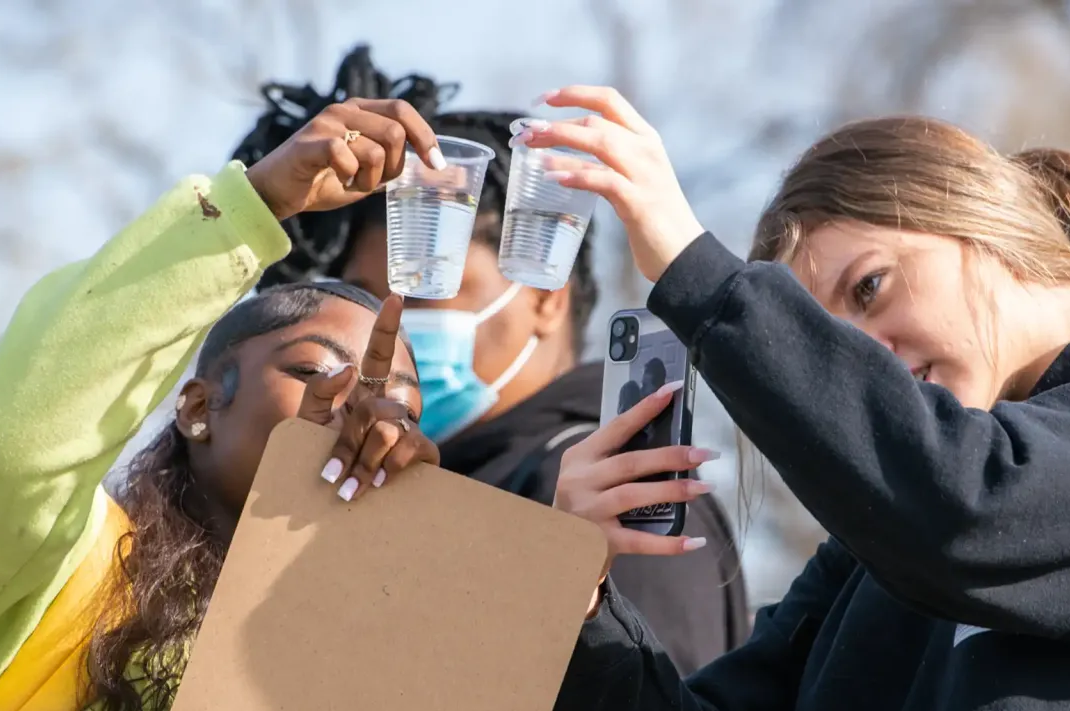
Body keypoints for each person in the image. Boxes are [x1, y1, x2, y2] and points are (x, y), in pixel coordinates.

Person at [526, 86, 1070, 711]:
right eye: (828, 342)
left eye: (869, 288)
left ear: (978, 214)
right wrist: (578, 597)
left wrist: (693, 271)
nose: (864, 356)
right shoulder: (871, 562)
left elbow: (981, 510)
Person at [230, 46, 749, 675]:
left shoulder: (620, 488)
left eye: (426, 288)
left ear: (544, 295)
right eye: (372, 300)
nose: (391, 328)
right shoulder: (422, 490)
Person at [0, 96, 445, 711]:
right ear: (198, 407)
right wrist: (251, 207)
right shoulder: (63, 572)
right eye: (316, 369)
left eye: (404, 411)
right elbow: (7, 450)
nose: (363, 413)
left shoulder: (381, 657)